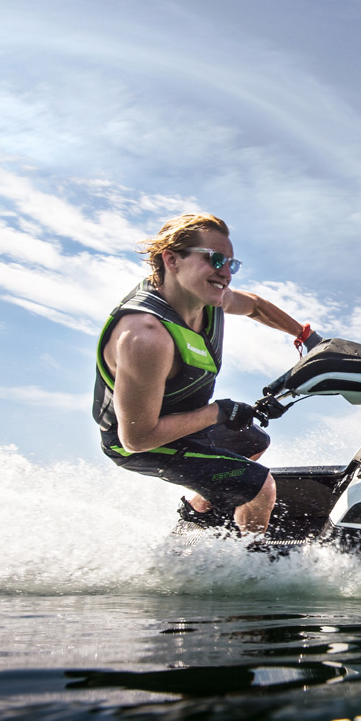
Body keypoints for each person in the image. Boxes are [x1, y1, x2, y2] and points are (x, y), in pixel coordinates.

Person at [93, 213, 321, 534]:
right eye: (214, 260)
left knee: (253, 441)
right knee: (260, 487)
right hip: (136, 441)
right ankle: (247, 560)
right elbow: (136, 439)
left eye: (231, 264)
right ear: (172, 260)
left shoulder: (209, 299)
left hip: (178, 423)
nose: (225, 273)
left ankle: (197, 513)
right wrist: (219, 412)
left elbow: (255, 305)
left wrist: (305, 337)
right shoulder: (146, 337)